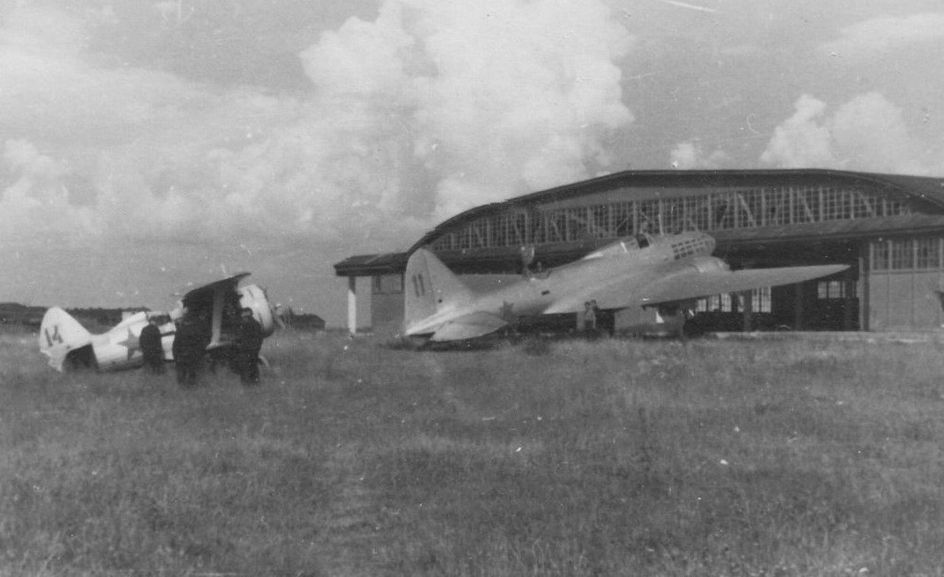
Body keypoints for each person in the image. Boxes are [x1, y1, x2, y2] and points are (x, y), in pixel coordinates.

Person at [172, 311, 206, 387]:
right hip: (193, 355)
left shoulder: (180, 331)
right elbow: (201, 344)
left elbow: (175, 345)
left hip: (181, 355)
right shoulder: (197, 330)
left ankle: (181, 387)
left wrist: (175, 357)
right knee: (192, 371)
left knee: (181, 372)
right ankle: (191, 386)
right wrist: (200, 355)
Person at [235, 307, 263, 385]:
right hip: (253, 351)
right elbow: (259, 339)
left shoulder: (245, 325)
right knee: (253, 368)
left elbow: (242, 337)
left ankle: (247, 385)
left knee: (245, 370)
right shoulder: (256, 324)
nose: (243, 318)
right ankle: (255, 384)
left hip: (246, 351)